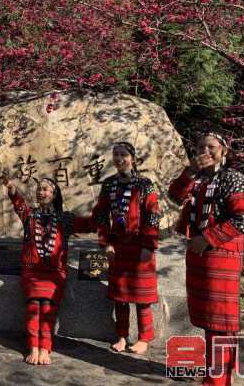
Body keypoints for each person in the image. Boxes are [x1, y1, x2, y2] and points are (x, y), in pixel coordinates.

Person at [168, 133, 244, 386]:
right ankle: (221, 370)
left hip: (221, 253)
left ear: (224, 150)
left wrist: (207, 239)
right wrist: (190, 171)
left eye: (211, 147)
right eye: (200, 147)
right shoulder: (199, 177)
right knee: (209, 318)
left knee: (220, 319)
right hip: (199, 256)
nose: (205, 150)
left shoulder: (233, 177)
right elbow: (175, 196)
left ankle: (217, 379)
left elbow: (243, 219)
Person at [2, 174, 96, 365]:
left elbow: (89, 224)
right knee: (33, 307)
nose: (40, 191)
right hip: (32, 272)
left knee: (48, 309)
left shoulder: (65, 219)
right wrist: (11, 187)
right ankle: (33, 347)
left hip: (54, 274)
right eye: (39, 189)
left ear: (54, 194)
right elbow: (17, 201)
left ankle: (45, 347)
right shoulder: (29, 215)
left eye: (45, 189)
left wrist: (104, 213)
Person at [91, 142, 160, 355]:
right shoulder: (109, 184)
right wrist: (106, 243)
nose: (119, 158)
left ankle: (144, 338)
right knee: (120, 296)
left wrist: (149, 245)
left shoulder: (145, 184)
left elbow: (153, 214)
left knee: (142, 297)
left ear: (133, 158)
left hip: (140, 245)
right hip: (118, 245)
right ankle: (121, 335)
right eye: (115, 154)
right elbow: (101, 214)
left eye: (123, 154)